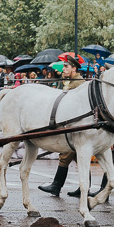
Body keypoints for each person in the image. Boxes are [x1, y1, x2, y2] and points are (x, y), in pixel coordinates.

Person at [38, 55, 86, 196]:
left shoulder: (78, 83)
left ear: (74, 68)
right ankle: (83, 188)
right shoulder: (70, 81)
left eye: (66, 67)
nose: (63, 69)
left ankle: (56, 186)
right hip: (69, 124)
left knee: (65, 155)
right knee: (78, 157)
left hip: (75, 125)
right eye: (64, 66)